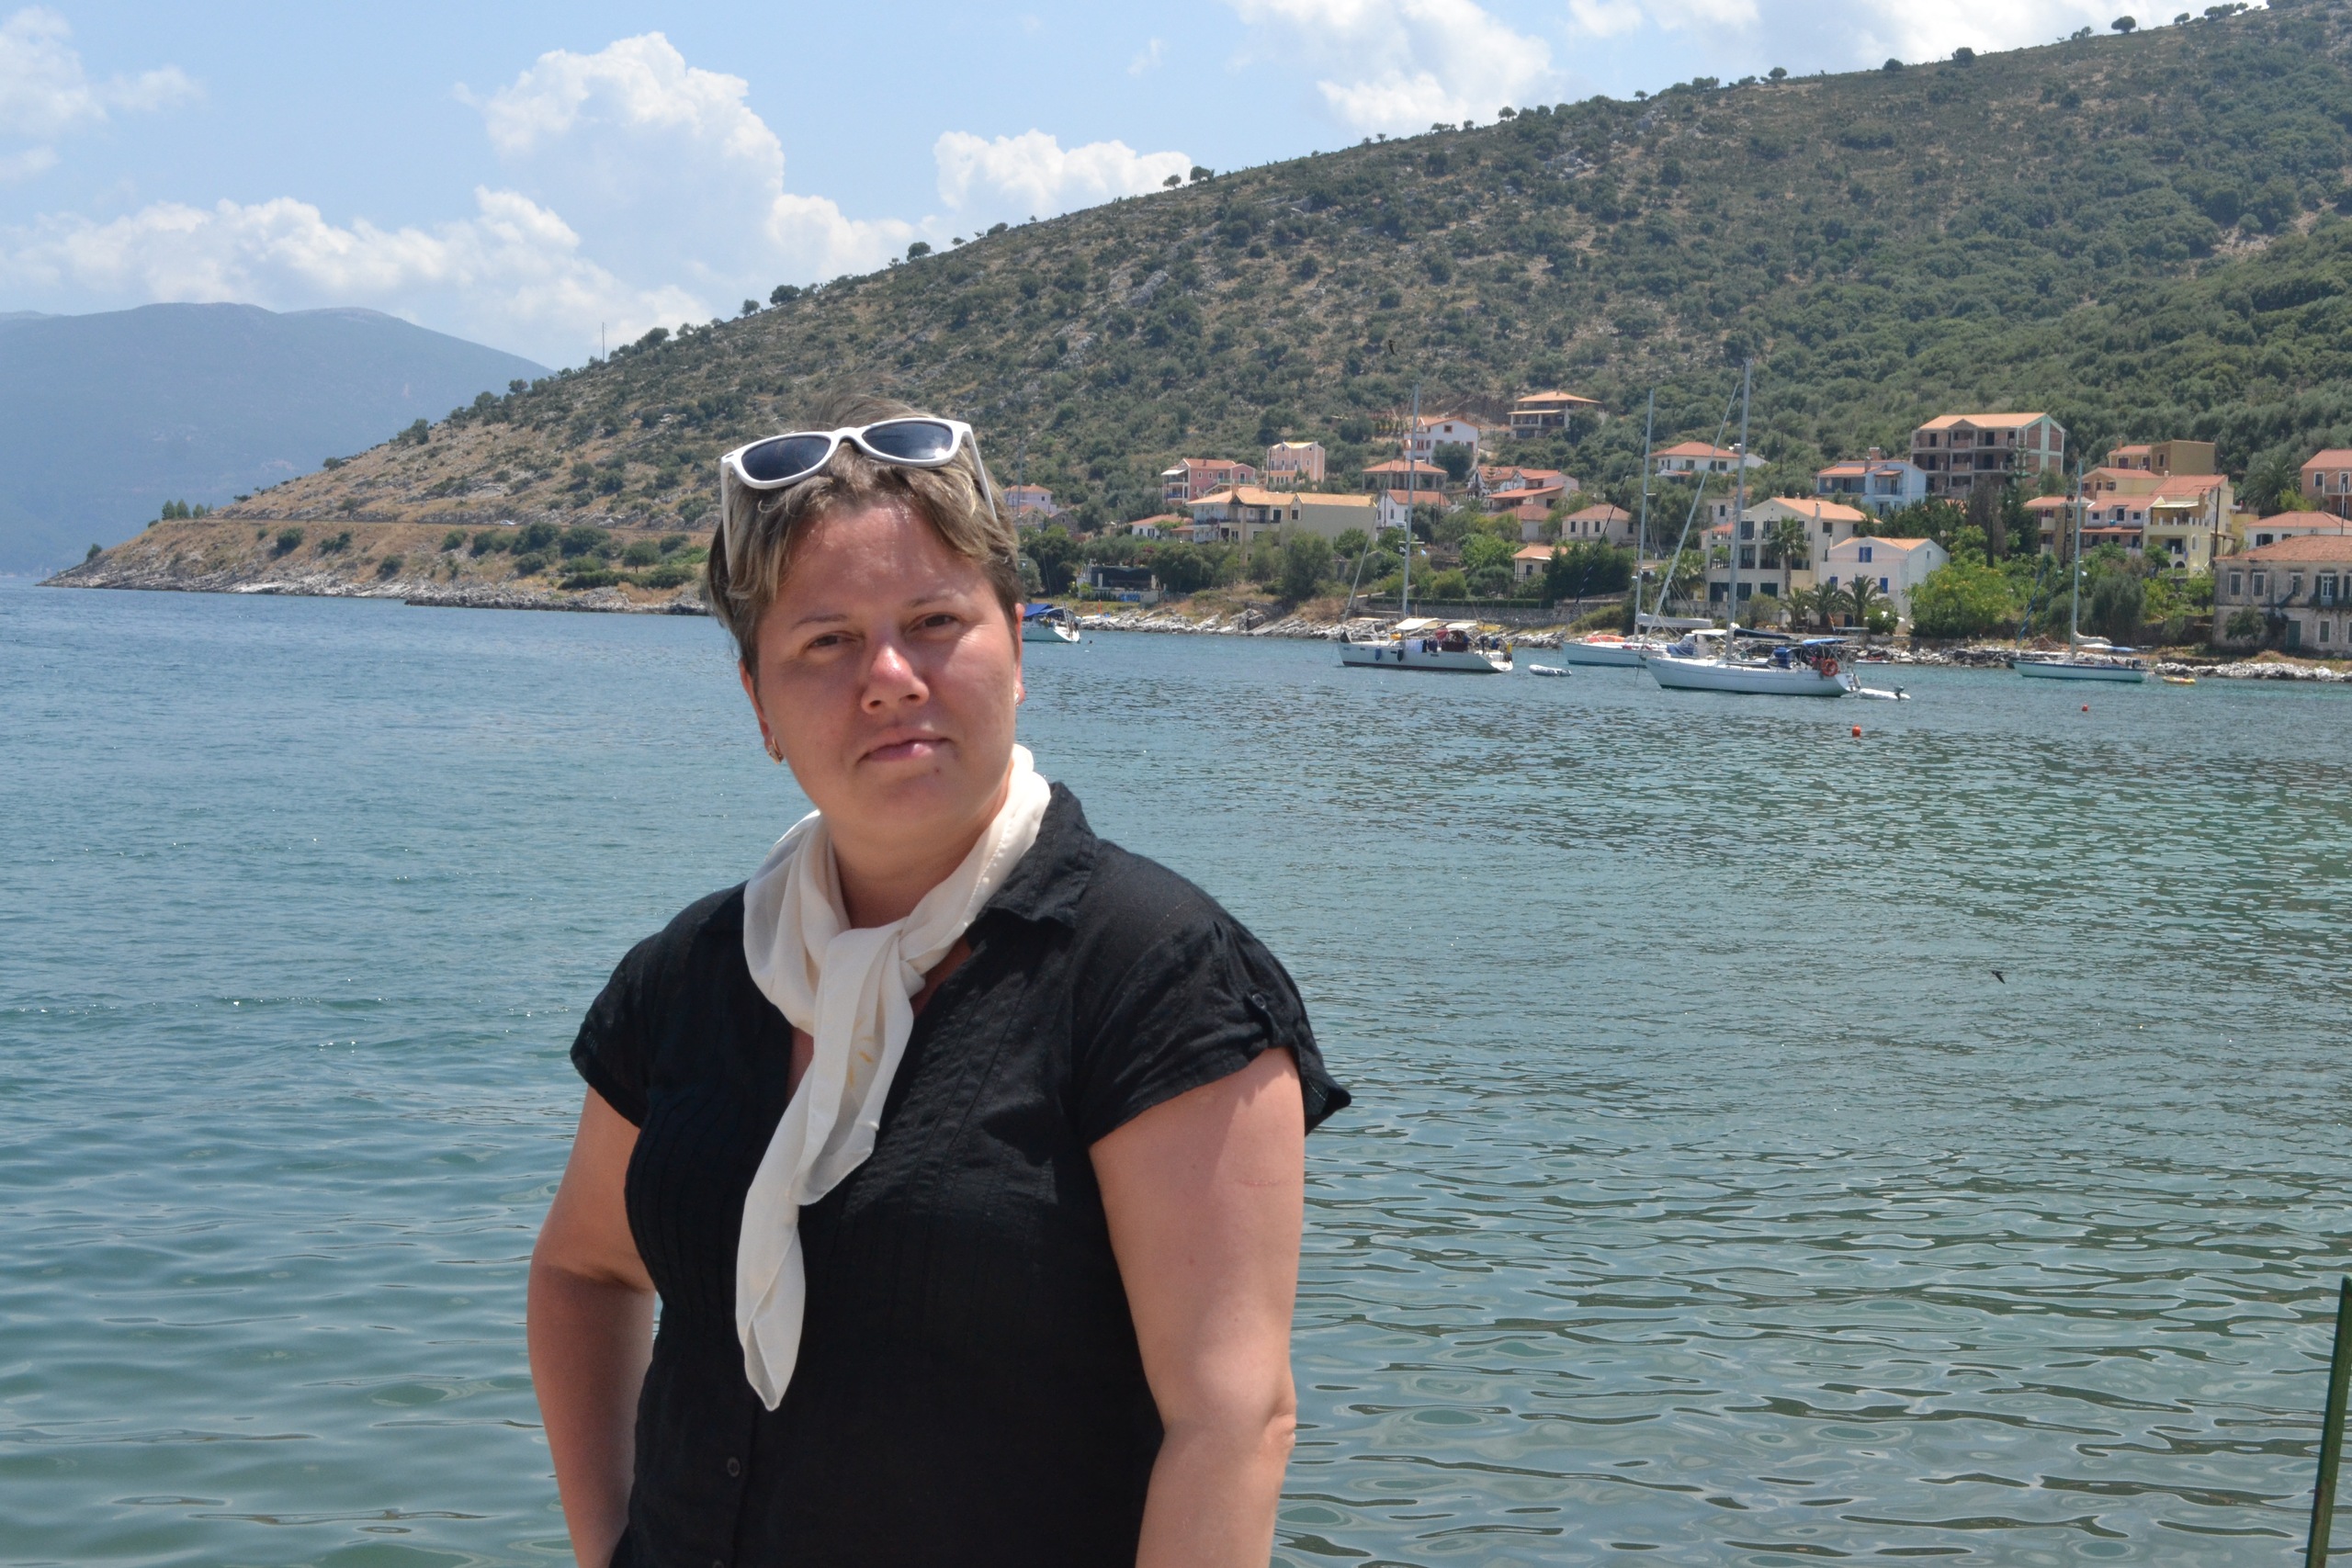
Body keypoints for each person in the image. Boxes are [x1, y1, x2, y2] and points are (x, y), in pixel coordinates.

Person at [526, 393, 1348, 1568]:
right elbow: (582, 1270)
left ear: (1015, 646)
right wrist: (607, 1545)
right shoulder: (692, 974)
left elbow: (1231, 1422)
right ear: (759, 703)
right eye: (825, 642)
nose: (889, 677)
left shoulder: (1156, 979)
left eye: (934, 622)